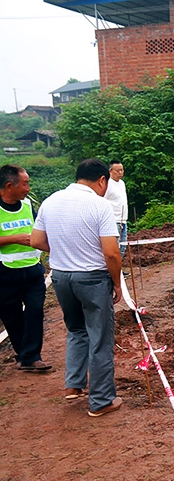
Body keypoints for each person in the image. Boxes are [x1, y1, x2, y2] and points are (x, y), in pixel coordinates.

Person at [30, 158, 123, 417]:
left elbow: (36, 240)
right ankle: (102, 400)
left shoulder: (51, 201)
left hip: (61, 277)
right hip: (92, 278)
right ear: (102, 180)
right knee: (100, 338)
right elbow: (112, 254)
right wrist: (116, 282)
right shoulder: (100, 206)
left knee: (76, 330)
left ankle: (74, 384)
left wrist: (62, 251)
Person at [0, 165, 51, 372]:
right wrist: (14, 238)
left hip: (32, 270)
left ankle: (32, 357)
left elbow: (42, 229)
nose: (28, 188)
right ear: (9, 186)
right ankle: (23, 355)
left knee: (35, 311)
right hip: (4, 272)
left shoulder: (29, 205)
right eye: (25, 183)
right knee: (11, 316)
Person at [103, 160, 129, 255]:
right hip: (113, 221)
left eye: (122, 170)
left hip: (123, 220)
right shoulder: (107, 184)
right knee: (114, 248)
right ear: (110, 171)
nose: (120, 173)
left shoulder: (122, 183)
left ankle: (118, 269)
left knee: (122, 247)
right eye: (117, 171)